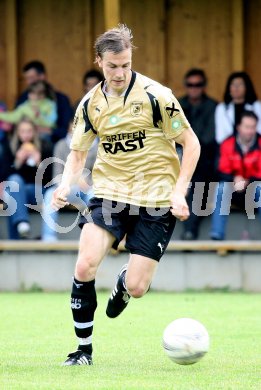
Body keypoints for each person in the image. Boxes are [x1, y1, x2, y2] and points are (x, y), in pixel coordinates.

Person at [51, 24, 200, 366]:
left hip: (157, 198)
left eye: (126, 65)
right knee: (85, 264)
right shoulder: (90, 104)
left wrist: (180, 192)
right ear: (99, 61)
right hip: (110, 193)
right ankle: (83, 351)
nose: (119, 73)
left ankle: (124, 283)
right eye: (112, 66)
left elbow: (190, 144)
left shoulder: (156, 95)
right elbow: (77, 153)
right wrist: (64, 185)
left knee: (137, 287)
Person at [41, 120, 98, 241]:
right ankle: (48, 239)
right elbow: (57, 175)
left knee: (95, 197)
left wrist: (87, 182)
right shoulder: (61, 145)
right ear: (69, 129)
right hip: (68, 188)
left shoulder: (97, 147)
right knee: (50, 195)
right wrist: (75, 180)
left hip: (89, 189)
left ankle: (93, 239)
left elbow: (100, 175)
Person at [179, 69, 217, 239]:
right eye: (190, 85)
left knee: (197, 183)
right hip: (178, 159)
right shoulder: (177, 105)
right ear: (186, 86)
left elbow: (209, 139)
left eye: (198, 85)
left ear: (204, 86)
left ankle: (190, 230)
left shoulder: (213, 107)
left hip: (204, 161)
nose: (194, 88)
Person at [210, 111, 261, 240]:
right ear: (239, 127)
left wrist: (248, 181)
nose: (250, 131)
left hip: (254, 188)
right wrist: (234, 179)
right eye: (247, 127)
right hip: (233, 187)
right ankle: (217, 235)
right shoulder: (227, 144)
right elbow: (219, 170)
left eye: (253, 127)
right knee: (221, 188)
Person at [3, 118, 52, 239]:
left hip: (38, 192)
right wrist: (18, 161)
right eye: (22, 131)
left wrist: (39, 163)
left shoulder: (44, 146)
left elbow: (49, 180)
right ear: (17, 133)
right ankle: (22, 224)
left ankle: (16, 237)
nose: (26, 135)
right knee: (13, 183)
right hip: (17, 190)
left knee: (11, 194)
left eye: (29, 131)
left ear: (35, 132)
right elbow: (4, 176)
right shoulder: (10, 147)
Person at [16, 60, 73, 143]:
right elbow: (17, 123)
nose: (28, 82)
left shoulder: (61, 99)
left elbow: (67, 128)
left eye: (31, 78)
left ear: (42, 76)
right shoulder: (24, 98)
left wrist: (50, 130)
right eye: (26, 79)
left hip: (54, 143)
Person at [215, 71, 261, 144]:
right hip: (227, 147)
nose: (236, 88)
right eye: (233, 84)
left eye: (240, 84)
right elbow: (220, 136)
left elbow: (259, 130)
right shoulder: (222, 108)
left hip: (255, 146)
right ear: (229, 88)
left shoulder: (257, 106)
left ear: (247, 87)